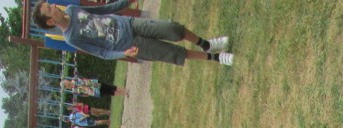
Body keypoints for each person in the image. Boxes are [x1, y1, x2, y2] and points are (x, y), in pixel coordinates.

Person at [31, 1, 233, 66]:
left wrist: (126, 2)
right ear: (50, 21)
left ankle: (206, 44)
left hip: (130, 24)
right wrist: (123, 54)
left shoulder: (72, 9)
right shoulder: (71, 38)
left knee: (173, 29)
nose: (54, 6)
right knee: (172, 53)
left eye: (50, 4)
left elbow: (104, 10)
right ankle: (215, 57)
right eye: (50, 9)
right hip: (129, 44)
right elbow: (101, 52)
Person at [62, 75, 128, 98]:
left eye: (65, 82)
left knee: (109, 87)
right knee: (109, 93)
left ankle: (124, 91)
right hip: (93, 92)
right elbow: (83, 95)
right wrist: (89, 93)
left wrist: (89, 83)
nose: (67, 83)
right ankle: (124, 94)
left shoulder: (74, 79)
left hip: (93, 84)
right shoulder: (74, 91)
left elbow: (84, 78)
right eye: (65, 85)